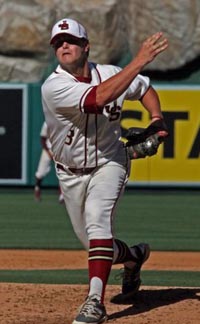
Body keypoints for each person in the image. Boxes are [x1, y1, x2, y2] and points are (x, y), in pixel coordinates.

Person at [41, 17, 169, 324]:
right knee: (98, 247)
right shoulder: (54, 85)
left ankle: (94, 302)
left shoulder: (110, 72)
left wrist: (156, 118)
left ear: (86, 47)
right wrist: (138, 60)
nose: (64, 46)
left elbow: (144, 87)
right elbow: (99, 98)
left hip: (110, 160)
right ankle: (135, 256)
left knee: (99, 220)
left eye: (70, 40)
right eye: (58, 43)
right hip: (69, 173)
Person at [34, 121, 64, 203]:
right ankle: (37, 189)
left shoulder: (62, 121)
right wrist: (48, 152)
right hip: (48, 149)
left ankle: (62, 195)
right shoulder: (47, 123)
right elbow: (43, 139)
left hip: (59, 150)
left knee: (62, 172)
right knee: (41, 172)